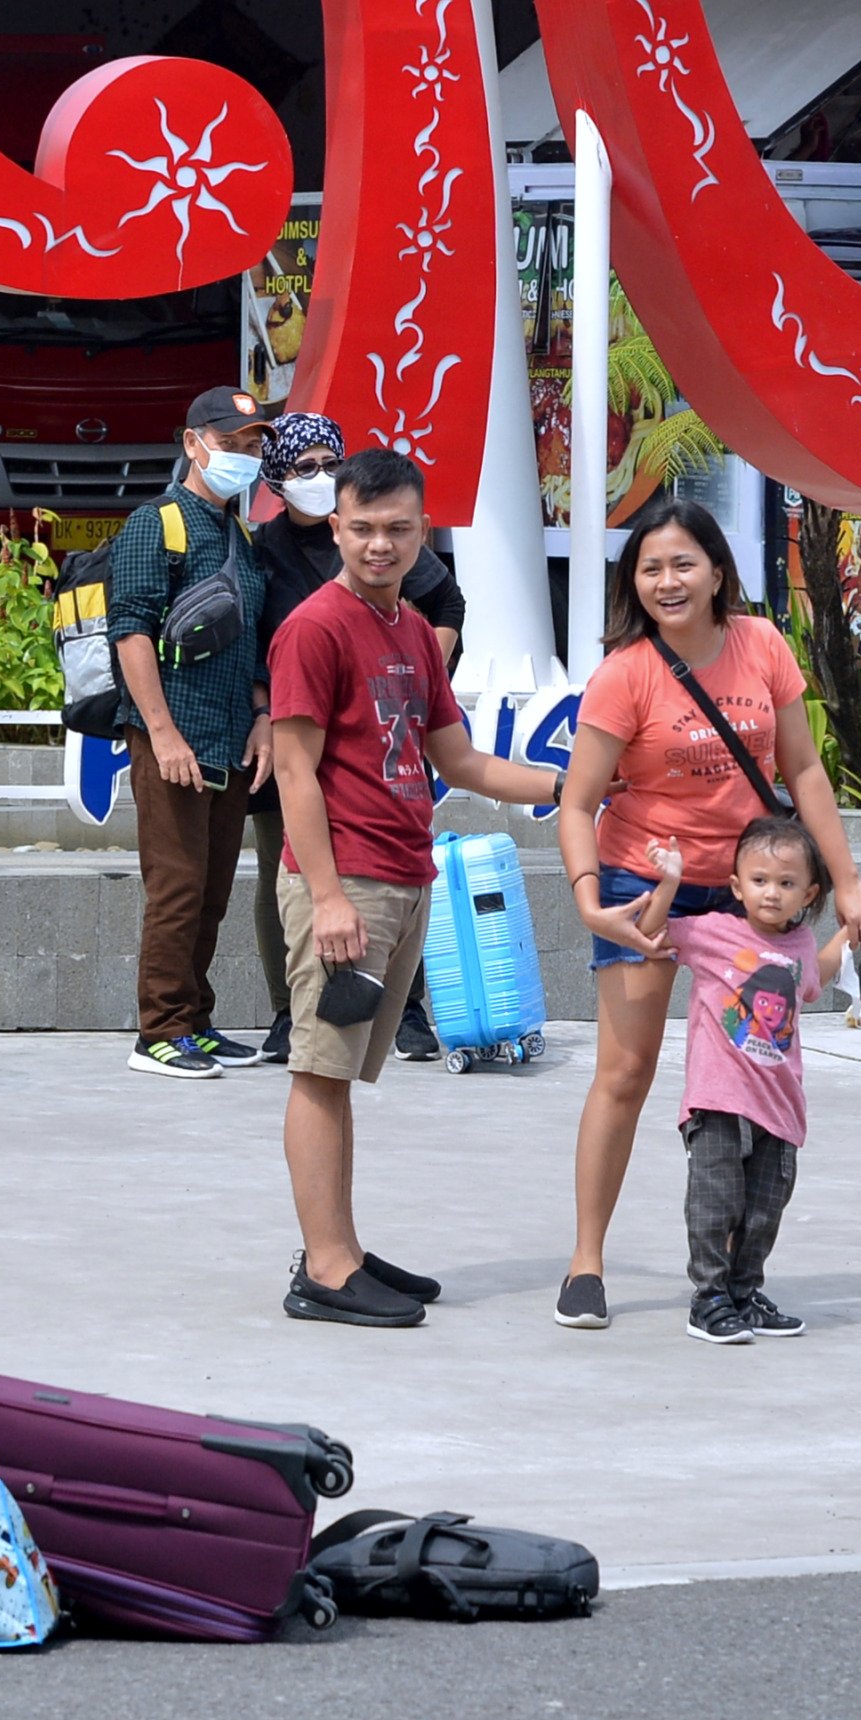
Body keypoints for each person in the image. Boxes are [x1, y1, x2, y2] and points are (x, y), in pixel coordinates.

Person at [550, 501, 861, 1333]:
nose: (667, 581)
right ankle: (586, 1260)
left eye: (683, 564)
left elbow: (802, 770)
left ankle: (735, 1276)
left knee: (751, 1083)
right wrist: (591, 895)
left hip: (751, 894)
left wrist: (845, 883)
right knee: (624, 1074)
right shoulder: (626, 671)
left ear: (718, 569)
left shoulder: (762, 645)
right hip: (644, 886)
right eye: (650, 568)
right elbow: (578, 799)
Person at [266, 447, 560, 1325]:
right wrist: (326, 896)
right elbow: (292, 770)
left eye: (396, 529)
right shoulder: (315, 627)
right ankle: (323, 1265)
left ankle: (343, 1247)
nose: (378, 545)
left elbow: (457, 758)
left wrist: (570, 786)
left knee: (345, 1073)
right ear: (335, 525)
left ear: (422, 531)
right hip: (345, 879)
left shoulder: (407, 630)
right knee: (319, 1072)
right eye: (361, 528)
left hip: (402, 874)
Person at [241, 410, 462, 1068]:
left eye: (327, 461)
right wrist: (264, 710)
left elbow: (447, 606)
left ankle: (405, 1009)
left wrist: (421, 675)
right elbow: (259, 640)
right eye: (302, 465)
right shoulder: (269, 552)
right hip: (294, 734)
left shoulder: (392, 565)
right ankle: (289, 1008)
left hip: (379, 745)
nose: (378, 541)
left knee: (391, 894)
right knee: (287, 860)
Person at [110, 386, 274, 1079]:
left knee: (209, 891)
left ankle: (196, 1020)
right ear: (192, 444)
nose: (240, 457)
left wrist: (263, 717)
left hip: (231, 741)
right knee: (176, 889)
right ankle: (159, 1030)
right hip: (174, 740)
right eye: (228, 444)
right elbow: (131, 630)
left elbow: (255, 641)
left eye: (250, 446)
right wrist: (163, 733)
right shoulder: (158, 524)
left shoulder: (237, 535)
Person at [638, 815, 845, 1343]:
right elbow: (650, 933)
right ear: (736, 886)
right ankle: (707, 1298)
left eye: (786, 883)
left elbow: (812, 983)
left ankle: (743, 1294)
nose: (771, 893)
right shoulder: (712, 932)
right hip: (718, 1099)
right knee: (715, 1204)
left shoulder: (799, 944)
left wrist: (850, 931)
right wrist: (670, 882)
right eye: (759, 881)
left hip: (780, 1107)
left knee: (763, 1213)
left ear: (809, 893)